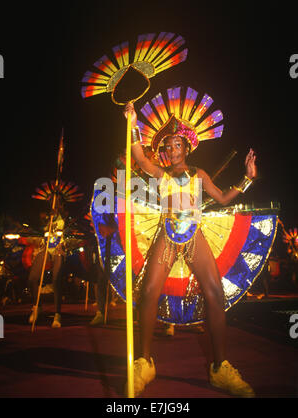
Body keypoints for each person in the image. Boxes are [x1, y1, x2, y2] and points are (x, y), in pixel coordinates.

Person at [124, 102, 257, 398]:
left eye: (177, 145)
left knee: (214, 293)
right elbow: (139, 159)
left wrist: (247, 179)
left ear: (186, 147)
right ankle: (144, 362)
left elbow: (223, 198)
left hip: (195, 236)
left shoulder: (198, 174)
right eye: (167, 147)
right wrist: (133, 124)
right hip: (167, 234)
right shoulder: (161, 174)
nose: (172, 151)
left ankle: (220, 368)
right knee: (148, 292)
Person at [28, 197, 67, 328]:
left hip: (59, 247)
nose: (54, 205)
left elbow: (69, 229)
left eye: (56, 203)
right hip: (45, 247)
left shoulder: (65, 216)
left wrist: (58, 212)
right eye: (51, 203)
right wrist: (46, 219)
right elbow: (37, 226)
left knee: (56, 279)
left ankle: (57, 314)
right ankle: (36, 307)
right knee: (33, 278)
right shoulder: (45, 216)